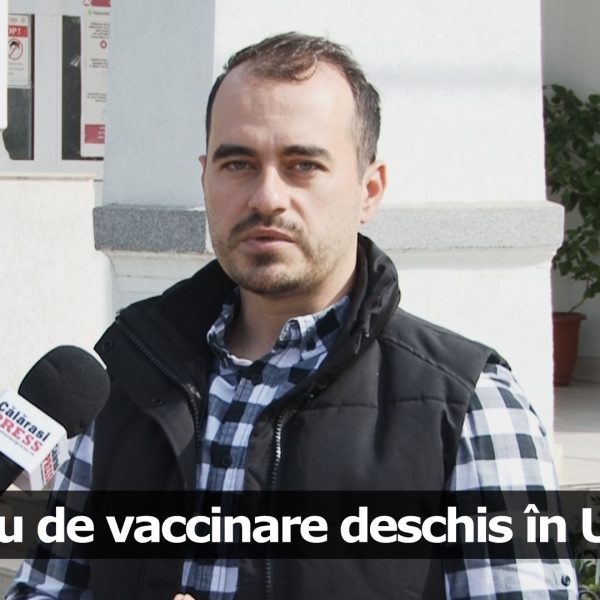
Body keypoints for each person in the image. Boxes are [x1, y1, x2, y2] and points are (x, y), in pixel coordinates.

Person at [8, 32, 576, 600]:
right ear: (205, 177)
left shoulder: (470, 404)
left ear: (369, 189)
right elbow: (46, 587)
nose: (267, 197)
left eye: (303, 165)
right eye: (238, 163)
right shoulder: (131, 370)